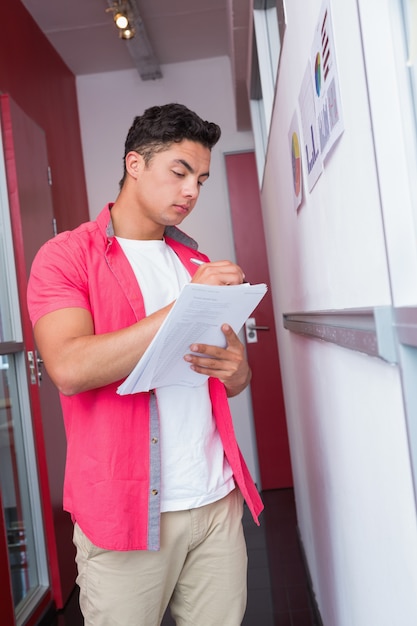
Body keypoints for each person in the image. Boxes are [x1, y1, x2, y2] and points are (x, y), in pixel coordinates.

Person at [27, 103, 264, 626]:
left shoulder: (196, 265)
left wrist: (236, 373)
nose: (191, 192)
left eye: (200, 179)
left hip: (215, 500)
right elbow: (68, 367)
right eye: (179, 172)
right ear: (134, 164)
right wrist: (183, 306)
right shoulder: (65, 257)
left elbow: (236, 379)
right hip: (124, 512)